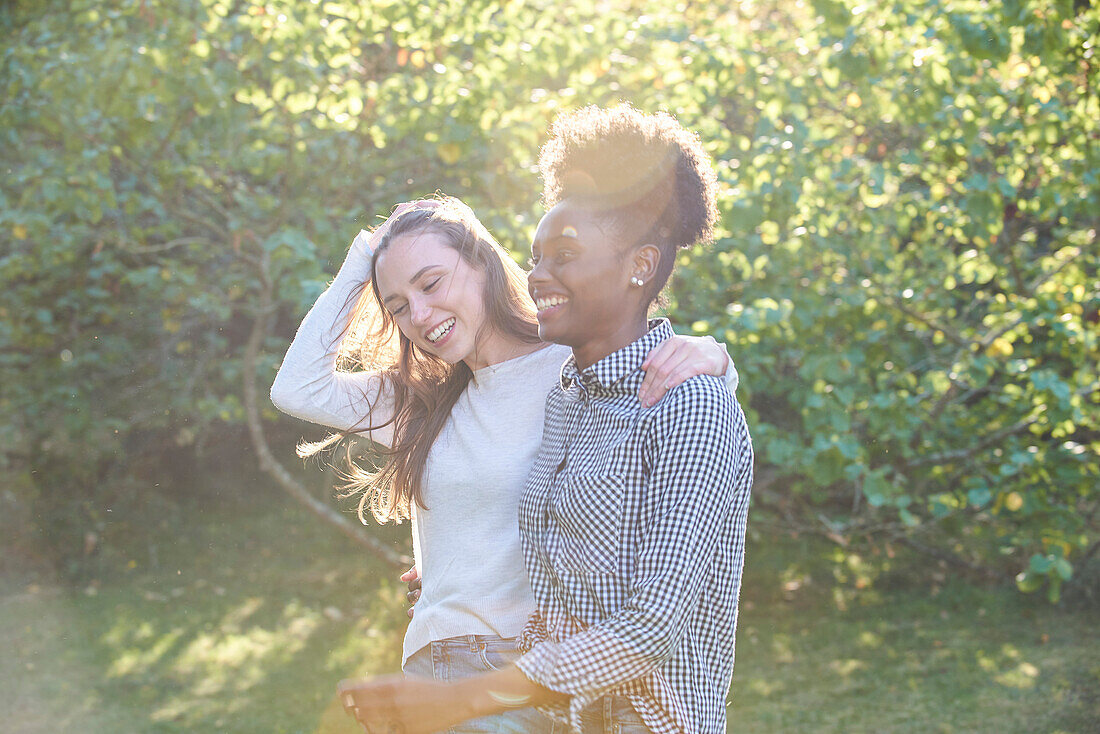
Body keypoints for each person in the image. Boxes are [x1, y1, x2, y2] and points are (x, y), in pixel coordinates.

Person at [339, 106, 753, 733]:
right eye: (535, 257)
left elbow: (652, 625)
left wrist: (465, 699)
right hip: (559, 719)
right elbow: (554, 578)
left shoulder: (688, 400)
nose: (536, 277)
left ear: (640, 265)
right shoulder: (564, 400)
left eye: (564, 255)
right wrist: (453, 578)